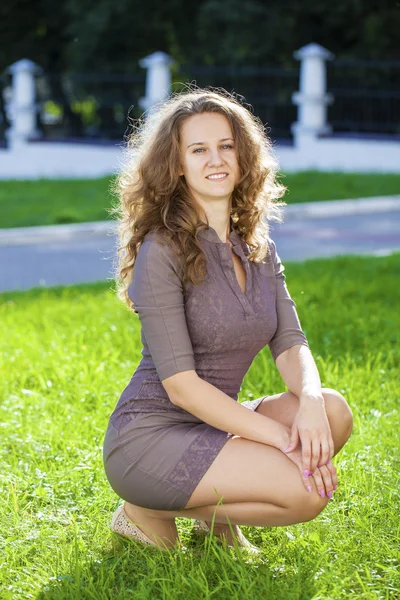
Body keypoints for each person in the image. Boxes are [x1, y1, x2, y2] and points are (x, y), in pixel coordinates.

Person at [103, 87, 353, 552]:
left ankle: (213, 521)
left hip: (214, 426)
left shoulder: (256, 245)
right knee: (304, 492)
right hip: (149, 438)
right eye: (198, 150)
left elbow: (289, 339)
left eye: (226, 145)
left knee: (334, 412)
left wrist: (312, 401)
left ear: (243, 154)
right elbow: (180, 386)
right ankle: (145, 508)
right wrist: (281, 438)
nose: (215, 159)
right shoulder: (163, 250)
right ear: (177, 164)